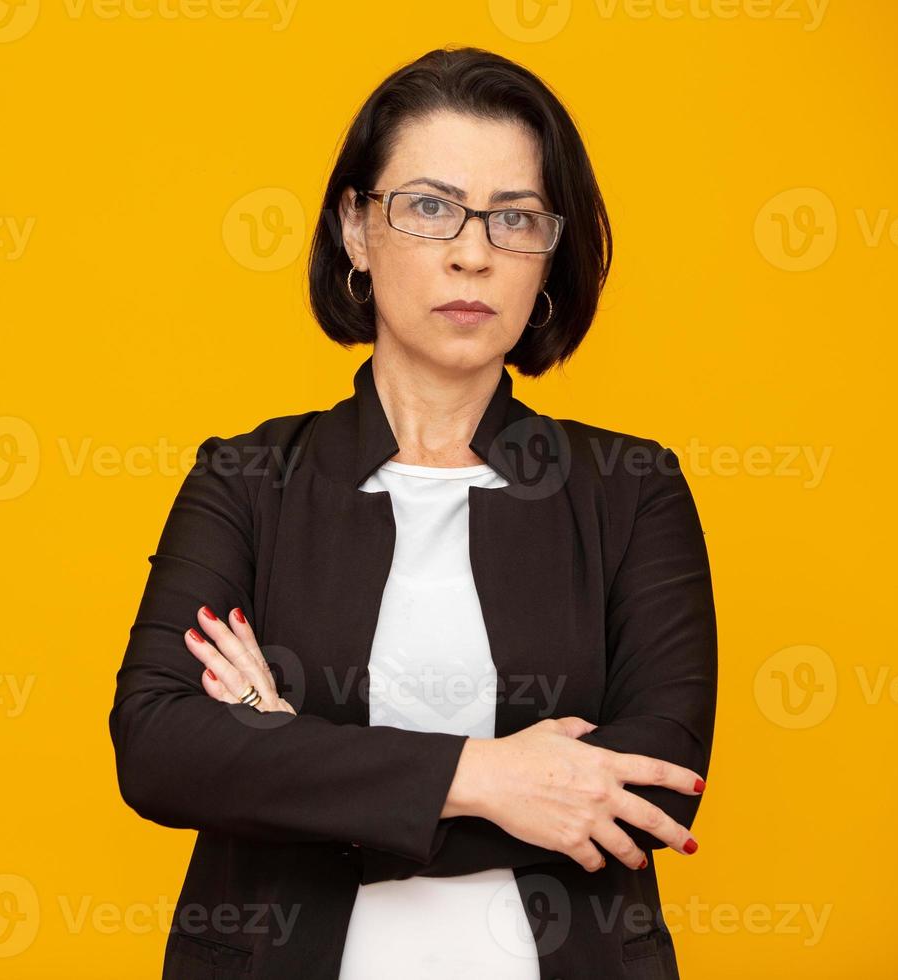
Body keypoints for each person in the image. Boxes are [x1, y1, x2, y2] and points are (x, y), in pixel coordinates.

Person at [109, 45, 718, 980]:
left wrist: (285, 755)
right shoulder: (247, 478)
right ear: (357, 230)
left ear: (550, 253)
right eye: (430, 207)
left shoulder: (631, 487)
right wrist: (492, 780)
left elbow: (650, 787)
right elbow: (160, 748)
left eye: (514, 218)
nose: (473, 251)